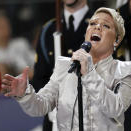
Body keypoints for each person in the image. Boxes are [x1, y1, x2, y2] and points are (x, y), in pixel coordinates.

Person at [1, 7, 131, 131]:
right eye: (92, 24)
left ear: (117, 40)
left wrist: (89, 72)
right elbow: (42, 105)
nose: (97, 28)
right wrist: (24, 94)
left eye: (106, 26)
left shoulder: (126, 70)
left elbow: (116, 108)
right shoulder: (65, 65)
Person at [31, 0, 93, 130]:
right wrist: (51, 102)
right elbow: (40, 78)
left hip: (90, 120)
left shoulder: (100, 26)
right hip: (55, 121)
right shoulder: (49, 29)